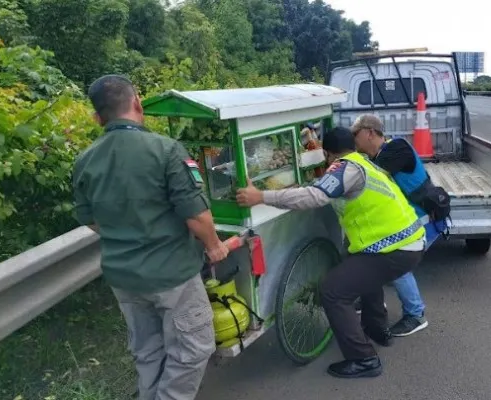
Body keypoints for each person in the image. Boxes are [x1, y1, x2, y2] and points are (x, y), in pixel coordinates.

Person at [72, 75, 230, 400]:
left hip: (123, 277)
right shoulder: (167, 150)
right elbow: (197, 215)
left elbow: (90, 219)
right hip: (172, 274)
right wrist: (214, 246)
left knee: (148, 352)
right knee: (194, 348)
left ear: (97, 118)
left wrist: (126, 235)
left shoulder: (84, 160)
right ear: (138, 104)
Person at [236, 126, 425, 379]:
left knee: (333, 290)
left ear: (328, 154)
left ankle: (364, 359)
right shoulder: (364, 163)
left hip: (394, 248)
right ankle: (378, 330)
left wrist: (261, 196)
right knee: (362, 271)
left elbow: (315, 196)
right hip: (407, 242)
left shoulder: (344, 166)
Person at [351, 114, 450, 338]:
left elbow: (371, 174)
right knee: (371, 253)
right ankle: (373, 302)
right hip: (409, 219)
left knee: (395, 263)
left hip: (426, 219)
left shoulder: (397, 150)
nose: (353, 141)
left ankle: (415, 315)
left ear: (369, 133)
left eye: (355, 135)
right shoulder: (380, 154)